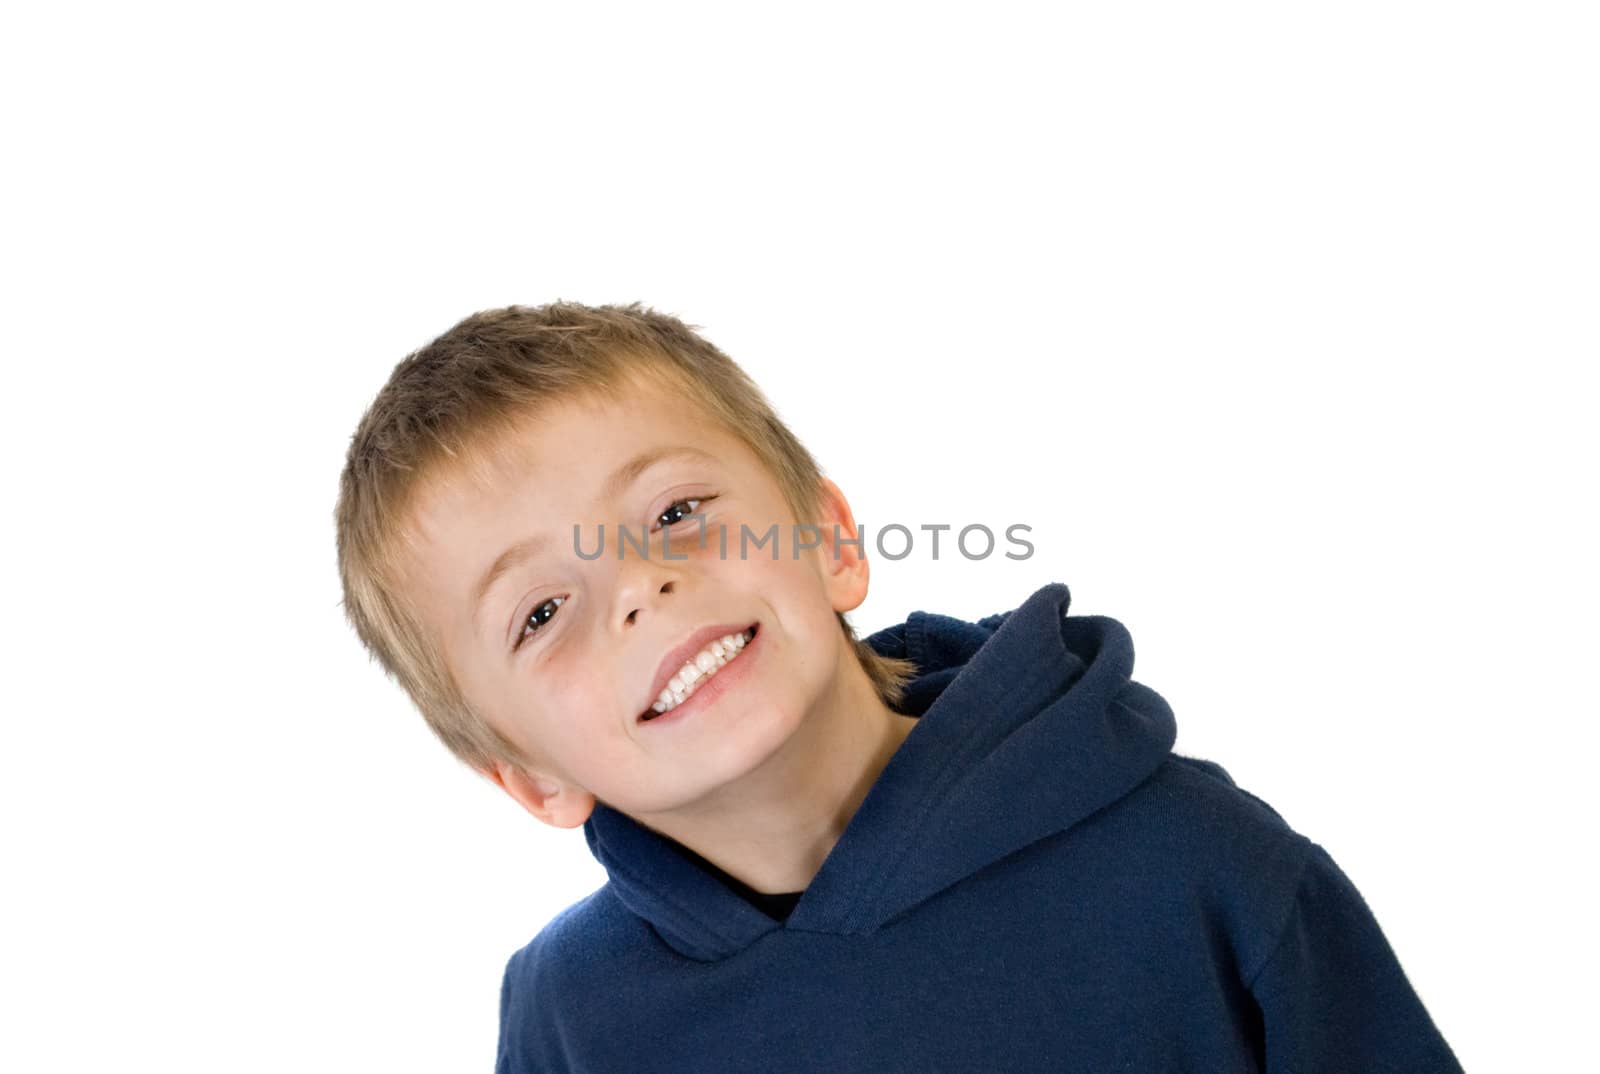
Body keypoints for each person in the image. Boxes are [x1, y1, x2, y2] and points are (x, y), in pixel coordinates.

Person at [334, 301, 1466, 1073]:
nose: (641, 590)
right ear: (528, 779)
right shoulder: (567, 1015)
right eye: (539, 613)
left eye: (676, 513)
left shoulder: (1199, 866)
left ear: (827, 538)